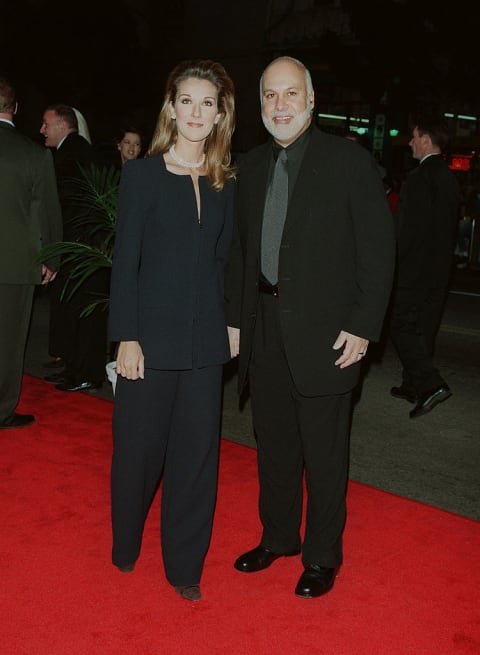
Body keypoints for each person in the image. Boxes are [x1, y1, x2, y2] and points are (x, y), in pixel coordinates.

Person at [225, 56, 395, 599]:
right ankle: (278, 538)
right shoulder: (249, 167)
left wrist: (364, 326)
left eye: (290, 93)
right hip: (263, 327)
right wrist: (235, 322)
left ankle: (322, 556)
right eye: (270, 96)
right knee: (273, 445)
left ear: (312, 99)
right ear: (260, 105)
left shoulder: (349, 162)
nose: (280, 105)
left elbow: (378, 253)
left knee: (323, 455)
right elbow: (238, 256)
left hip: (328, 334)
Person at [108, 59, 236, 601]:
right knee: (138, 452)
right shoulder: (142, 175)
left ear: (219, 114)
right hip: (149, 341)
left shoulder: (228, 182)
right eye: (187, 100)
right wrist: (126, 337)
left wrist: (231, 324)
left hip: (206, 344)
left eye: (207, 103)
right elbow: (125, 263)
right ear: (171, 107)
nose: (196, 112)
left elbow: (227, 261)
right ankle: (126, 542)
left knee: (197, 458)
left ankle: (185, 565)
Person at [0, 76, 62, 429]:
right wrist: (51, 258)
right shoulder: (34, 154)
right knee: (8, 343)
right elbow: (46, 213)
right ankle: (2, 410)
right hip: (15, 264)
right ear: (16, 109)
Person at [389, 116, 461, 418]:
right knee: (424, 327)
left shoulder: (419, 178)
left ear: (427, 140)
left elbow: (408, 230)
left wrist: (392, 262)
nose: (410, 142)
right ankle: (412, 384)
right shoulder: (448, 177)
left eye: (414, 137)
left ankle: (430, 384)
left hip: (414, 269)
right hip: (439, 269)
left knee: (400, 324)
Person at [40, 103, 109, 392]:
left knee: (83, 313)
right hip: (85, 246)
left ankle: (85, 374)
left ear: (62, 126)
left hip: (80, 246)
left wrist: (54, 248)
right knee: (75, 312)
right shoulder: (76, 151)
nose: (41, 130)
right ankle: (75, 370)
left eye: (46, 123)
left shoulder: (70, 154)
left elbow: (62, 207)